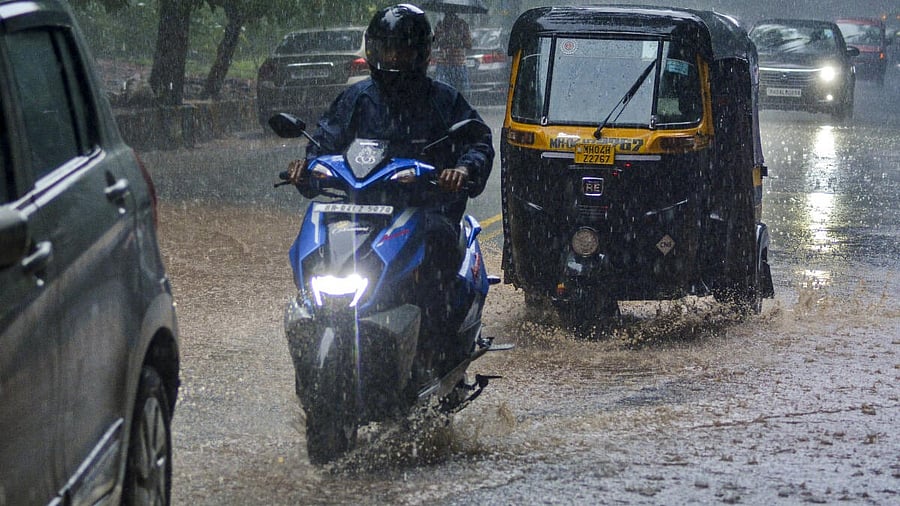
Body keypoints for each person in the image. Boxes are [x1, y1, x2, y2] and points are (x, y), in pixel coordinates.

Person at [286, 3, 494, 376]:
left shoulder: (444, 100)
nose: (393, 58)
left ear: (422, 53)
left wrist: (461, 170)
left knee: (438, 248)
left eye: (403, 50)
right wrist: (308, 169)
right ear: (373, 49)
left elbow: (477, 141)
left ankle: (434, 352)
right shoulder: (356, 98)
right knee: (316, 249)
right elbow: (324, 141)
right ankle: (315, 325)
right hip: (362, 211)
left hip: (426, 210)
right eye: (386, 49)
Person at [432, 11, 472, 96]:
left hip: (457, 63)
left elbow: (468, 44)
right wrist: (442, 37)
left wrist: (458, 39)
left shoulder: (462, 25)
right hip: (445, 63)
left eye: (451, 14)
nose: (449, 16)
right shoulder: (440, 25)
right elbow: (435, 44)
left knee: (462, 92)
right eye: (448, 15)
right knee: (442, 92)